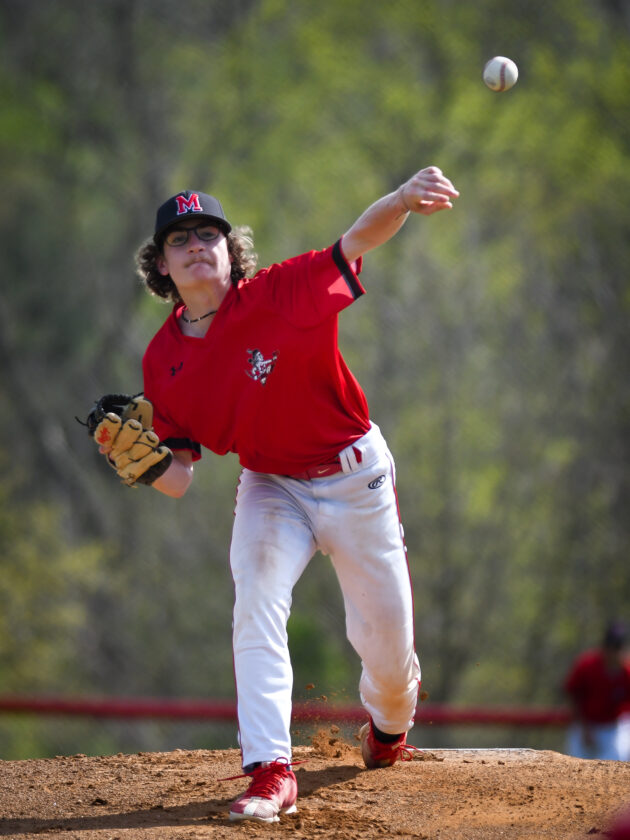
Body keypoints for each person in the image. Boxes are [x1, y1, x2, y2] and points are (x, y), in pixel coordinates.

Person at [95, 166, 460, 822]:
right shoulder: (162, 362)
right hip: (272, 486)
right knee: (256, 598)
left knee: (386, 653)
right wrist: (146, 468)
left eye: (210, 232)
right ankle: (270, 769)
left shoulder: (281, 293)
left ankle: (389, 724)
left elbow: (356, 241)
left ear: (232, 252)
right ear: (163, 269)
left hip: (355, 477)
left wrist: (403, 199)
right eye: (180, 239)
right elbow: (180, 478)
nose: (198, 243)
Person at [564, 621, 630, 762]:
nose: (614, 652)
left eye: (617, 647)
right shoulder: (587, 665)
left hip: (613, 727)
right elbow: (574, 696)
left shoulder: (626, 672)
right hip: (585, 724)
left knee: (616, 763)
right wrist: (584, 728)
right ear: (604, 647)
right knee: (574, 766)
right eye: (611, 646)